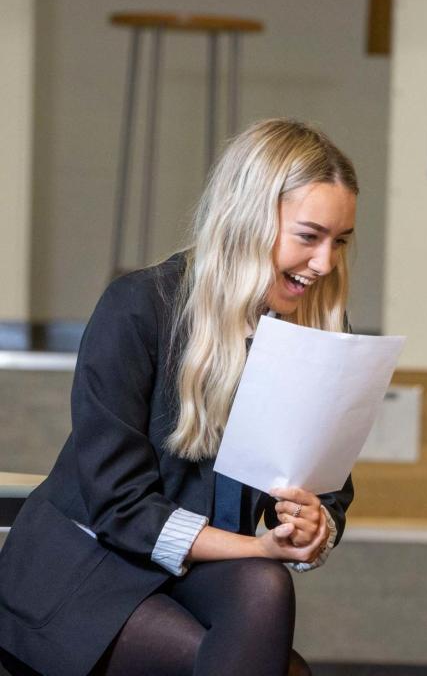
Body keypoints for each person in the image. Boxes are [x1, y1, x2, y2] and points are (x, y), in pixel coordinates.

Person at [0, 118, 359, 676]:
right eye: (309, 237)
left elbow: (327, 482)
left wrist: (313, 525)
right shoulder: (139, 307)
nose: (325, 263)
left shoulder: (315, 332)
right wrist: (259, 548)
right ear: (248, 221)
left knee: (265, 587)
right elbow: (121, 509)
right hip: (85, 569)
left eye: (339, 241)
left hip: (193, 570)